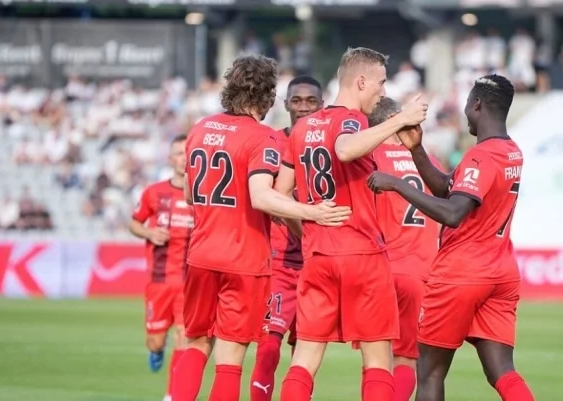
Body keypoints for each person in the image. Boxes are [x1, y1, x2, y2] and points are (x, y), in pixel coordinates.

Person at [170, 55, 352, 401]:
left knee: (196, 343)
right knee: (230, 358)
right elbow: (262, 197)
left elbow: (190, 194)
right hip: (244, 259)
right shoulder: (263, 137)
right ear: (268, 96)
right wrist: (311, 212)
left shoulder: (200, 128)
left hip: (201, 255)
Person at [367, 74, 535, 401]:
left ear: (477, 105)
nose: (464, 113)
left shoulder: (480, 156)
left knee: (429, 372)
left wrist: (397, 184)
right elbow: (448, 188)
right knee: (502, 370)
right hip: (500, 271)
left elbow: (453, 212)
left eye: (467, 105)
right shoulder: (511, 151)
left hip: (461, 272)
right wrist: (417, 151)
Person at [274, 47, 429, 401]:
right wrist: (400, 120)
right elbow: (344, 148)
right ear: (361, 82)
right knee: (378, 361)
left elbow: (280, 196)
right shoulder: (352, 120)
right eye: (380, 82)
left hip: (318, 257)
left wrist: (308, 225)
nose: (383, 92)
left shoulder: (302, 128)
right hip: (362, 254)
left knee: (304, 359)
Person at [250, 75, 325, 401]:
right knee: (268, 347)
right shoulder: (271, 143)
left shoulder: (332, 147)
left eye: (311, 101)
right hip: (280, 263)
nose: (304, 107)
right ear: (286, 105)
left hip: (318, 265)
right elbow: (265, 199)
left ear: (322, 105)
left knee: (304, 354)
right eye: (297, 101)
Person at [364, 97, 443, 401]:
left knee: (374, 361)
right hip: (419, 272)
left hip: (379, 270)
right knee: (406, 359)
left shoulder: (370, 159)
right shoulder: (430, 162)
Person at [128, 134, 192, 401]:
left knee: (184, 337)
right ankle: (156, 350)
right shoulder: (154, 193)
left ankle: (172, 395)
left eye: (187, 153)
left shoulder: (201, 195)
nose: (183, 158)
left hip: (190, 282)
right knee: (155, 340)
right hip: (159, 280)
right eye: (178, 153)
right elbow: (134, 223)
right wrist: (149, 233)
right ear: (170, 159)